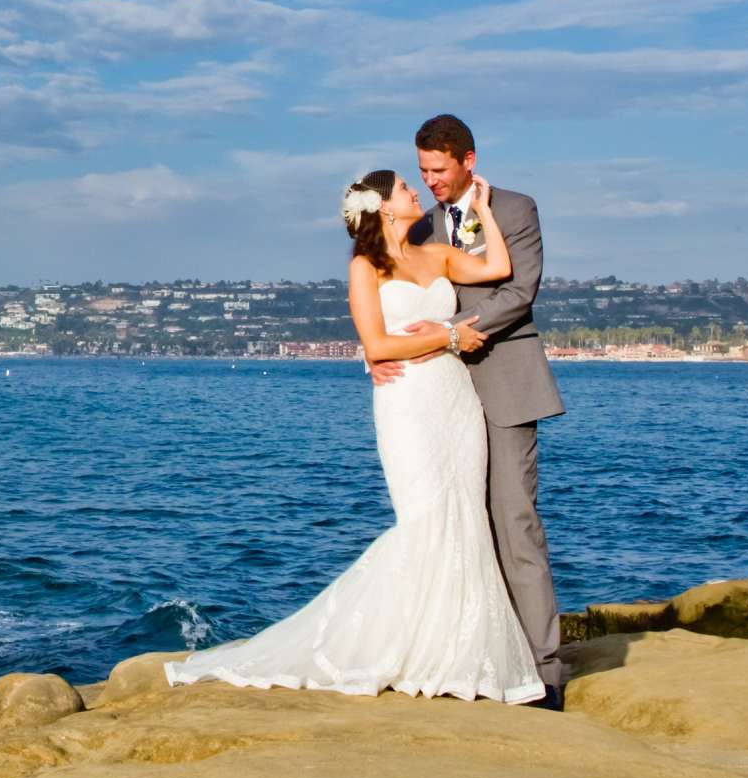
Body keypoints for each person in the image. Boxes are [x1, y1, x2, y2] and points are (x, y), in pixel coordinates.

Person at [164, 167, 544, 705]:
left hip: (456, 400)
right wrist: (452, 334)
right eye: (407, 188)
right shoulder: (366, 267)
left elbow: (501, 267)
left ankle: (459, 654)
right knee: (425, 518)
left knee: (466, 518)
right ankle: (393, 645)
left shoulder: (436, 254)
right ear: (386, 207)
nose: (417, 190)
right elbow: (378, 346)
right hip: (407, 403)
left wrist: (483, 209)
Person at [383, 113, 567, 707]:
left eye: (438, 169)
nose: (430, 181)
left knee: (514, 522)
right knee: (461, 526)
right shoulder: (418, 226)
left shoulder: (515, 209)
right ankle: (482, 660)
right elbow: (392, 295)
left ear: (468, 160)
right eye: (422, 171)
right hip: (441, 396)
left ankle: (545, 672)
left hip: (508, 383)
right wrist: (380, 354)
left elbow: (520, 291)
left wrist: (451, 330)